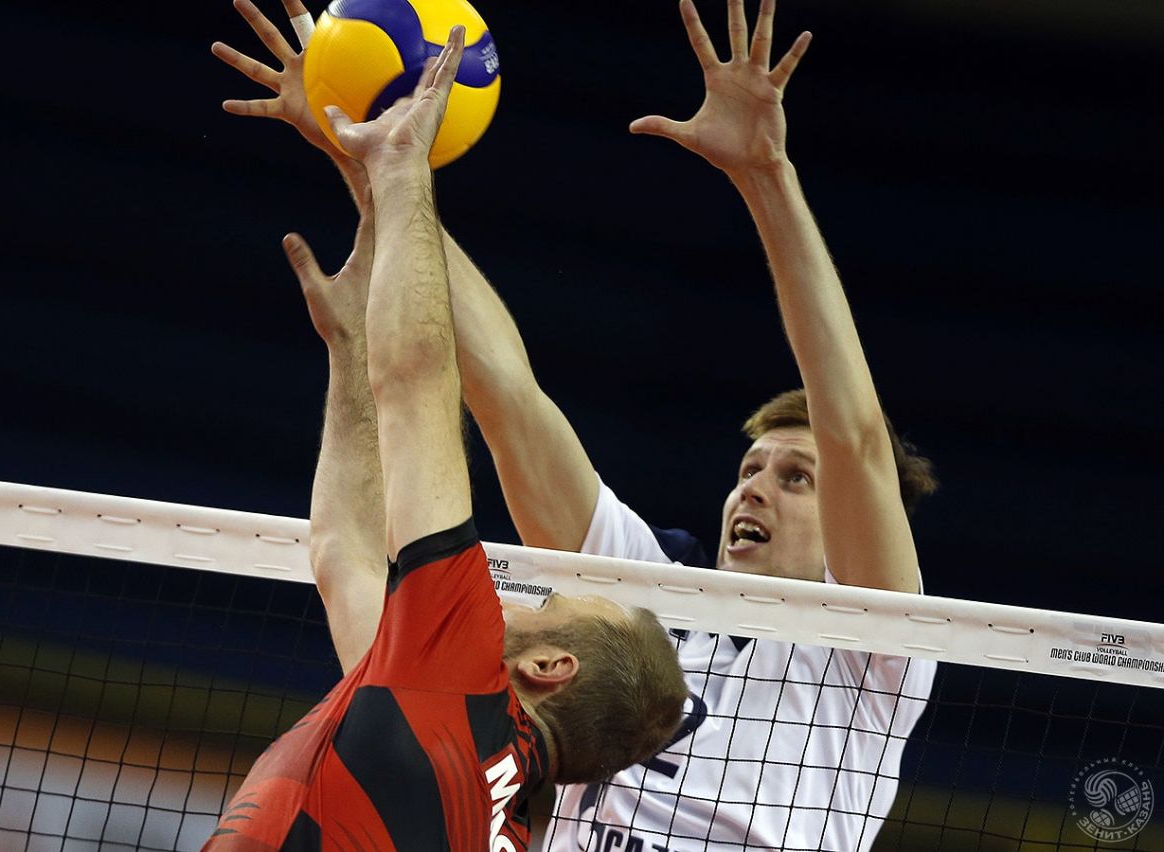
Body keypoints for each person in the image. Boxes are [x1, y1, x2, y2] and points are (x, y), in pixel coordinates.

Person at [212, 0, 938, 848]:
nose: (754, 488)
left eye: (795, 477)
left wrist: (765, 174)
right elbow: (507, 398)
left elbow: (856, 438)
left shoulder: (871, 656)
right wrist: (362, 150)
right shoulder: (637, 597)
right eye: (750, 468)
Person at [204, 26, 687, 850]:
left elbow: (421, 381)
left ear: (549, 668)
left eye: (550, 604)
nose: (526, 595)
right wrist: (350, 353)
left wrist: (399, 169)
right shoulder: (497, 808)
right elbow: (345, 555)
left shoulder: (460, 669)